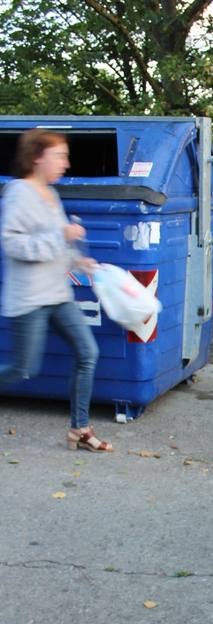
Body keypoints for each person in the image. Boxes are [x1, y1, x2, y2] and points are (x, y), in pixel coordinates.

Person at [0, 129, 112, 452]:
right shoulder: (19, 193)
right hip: (30, 299)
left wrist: (80, 263)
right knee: (25, 369)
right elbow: (13, 245)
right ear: (37, 157)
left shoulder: (52, 195)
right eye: (59, 155)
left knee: (87, 353)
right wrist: (61, 235)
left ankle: (80, 429)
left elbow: (58, 249)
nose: (66, 162)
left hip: (58, 295)